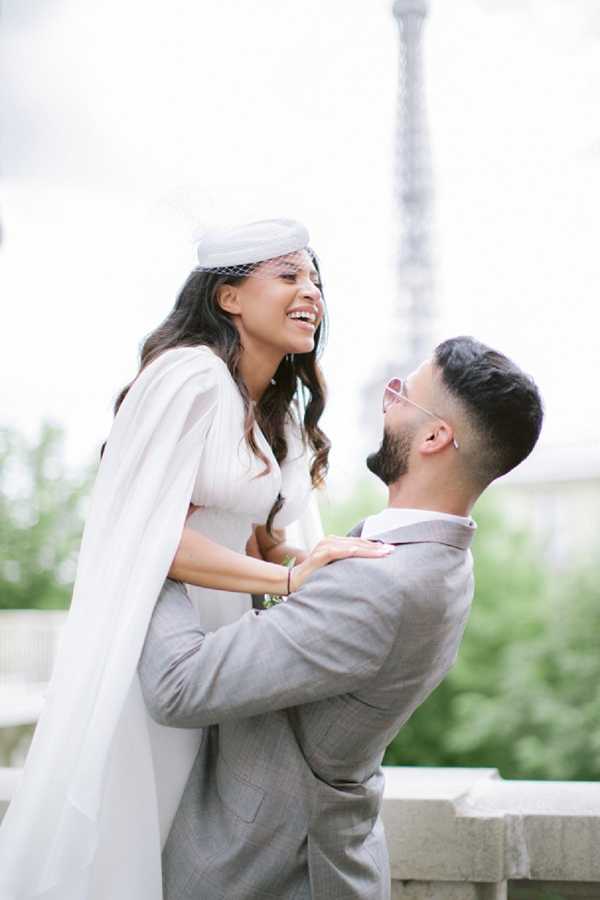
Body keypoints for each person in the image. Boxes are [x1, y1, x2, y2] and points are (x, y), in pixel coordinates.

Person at [0, 218, 388, 900]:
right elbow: (153, 536)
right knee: (137, 833)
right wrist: (291, 577)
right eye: (290, 275)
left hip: (226, 654)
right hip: (154, 646)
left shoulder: (278, 410)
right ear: (229, 298)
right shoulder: (190, 377)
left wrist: (337, 565)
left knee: (202, 843)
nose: (313, 293)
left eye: (317, 280)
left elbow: (260, 537)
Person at [138, 335, 544, 900]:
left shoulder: (382, 583)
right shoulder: (438, 561)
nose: (387, 399)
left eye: (404, 391)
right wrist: (257, 551)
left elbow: (177, 686)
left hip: (268, 870)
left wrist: (145, 540)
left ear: (435, 436)